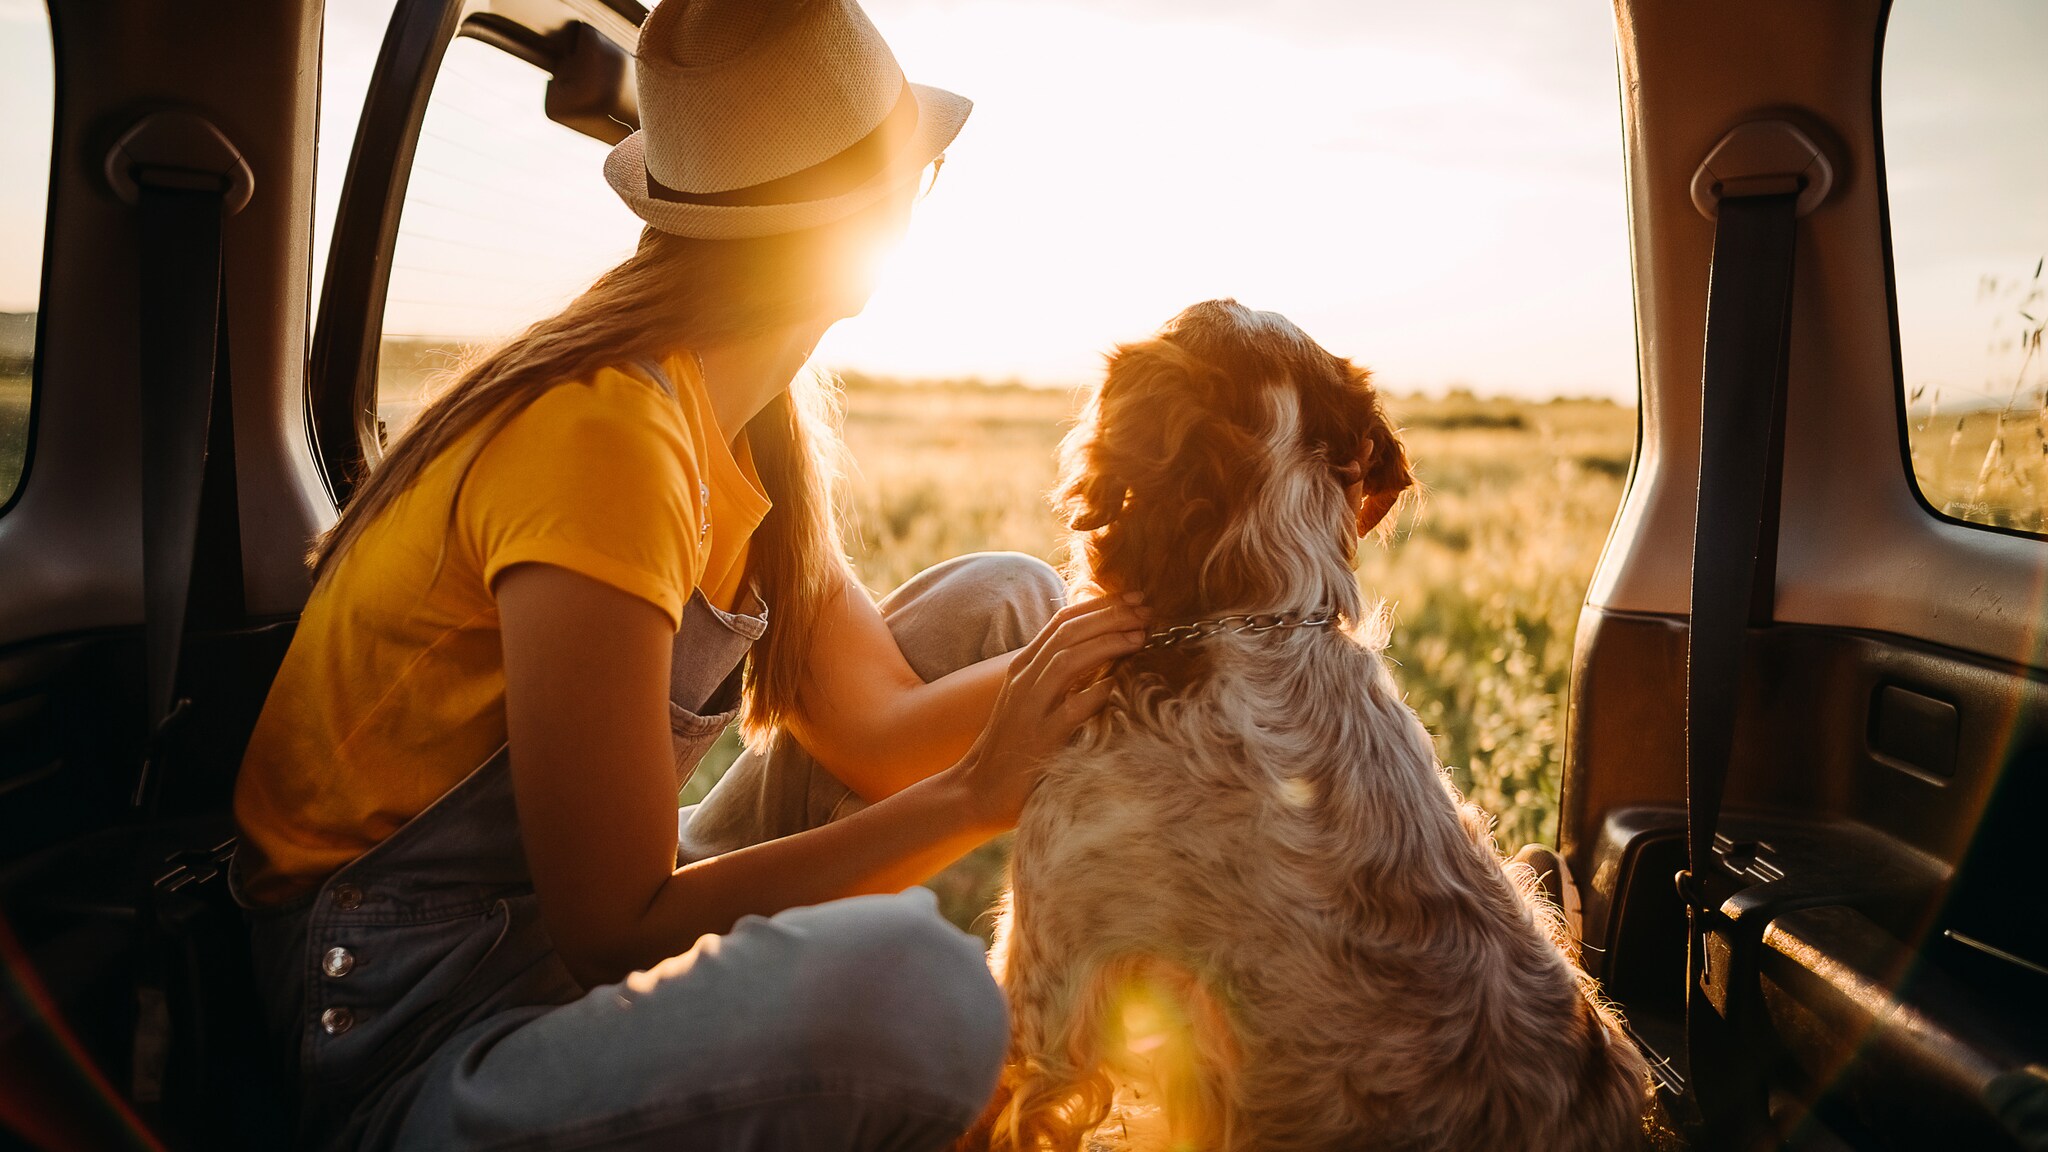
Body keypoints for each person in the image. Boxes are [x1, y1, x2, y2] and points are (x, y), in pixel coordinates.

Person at [228, 1, 1147, 1148]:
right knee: (919, 992)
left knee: (1008, 603)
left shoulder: (741, 423)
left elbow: (877, 729)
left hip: (543, 950)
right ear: (867, 213)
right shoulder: (608, 440)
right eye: (925, 167)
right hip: (402, 1024)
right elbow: (617, 925)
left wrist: (1160, 623)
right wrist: (975, 797)